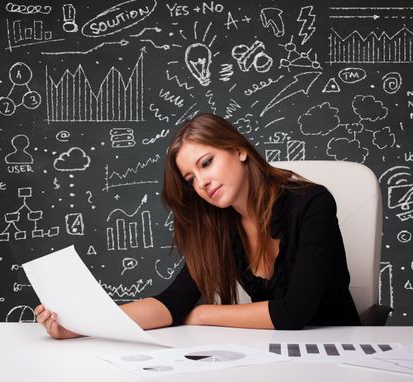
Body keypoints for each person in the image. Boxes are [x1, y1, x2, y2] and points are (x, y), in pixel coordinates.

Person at [35, 113, 360, 339]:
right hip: (274, 357)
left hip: (344, 355)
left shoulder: (312, 203)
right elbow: (170, 303)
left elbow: (293, 313)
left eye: (206, 163)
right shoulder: (218, 224)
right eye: (191, 179)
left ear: (239, 150)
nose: (202, 182)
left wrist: (203, 314)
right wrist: (82, 325)